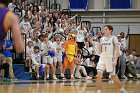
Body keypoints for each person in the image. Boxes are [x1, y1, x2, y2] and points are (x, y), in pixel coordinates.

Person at [96, 25, 127, 93]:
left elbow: (117, 50)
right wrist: (101, 52)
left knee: (113, 77)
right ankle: (98, 91)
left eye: (106, 29)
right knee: (99, 75)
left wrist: (115, 60)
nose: (104, 30)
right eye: (104, 29)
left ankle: (122, 89)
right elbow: (100, 48)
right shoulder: (102, 39)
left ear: (110, 30)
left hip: (110, 59)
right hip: (102, 58)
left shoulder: (114, 38)